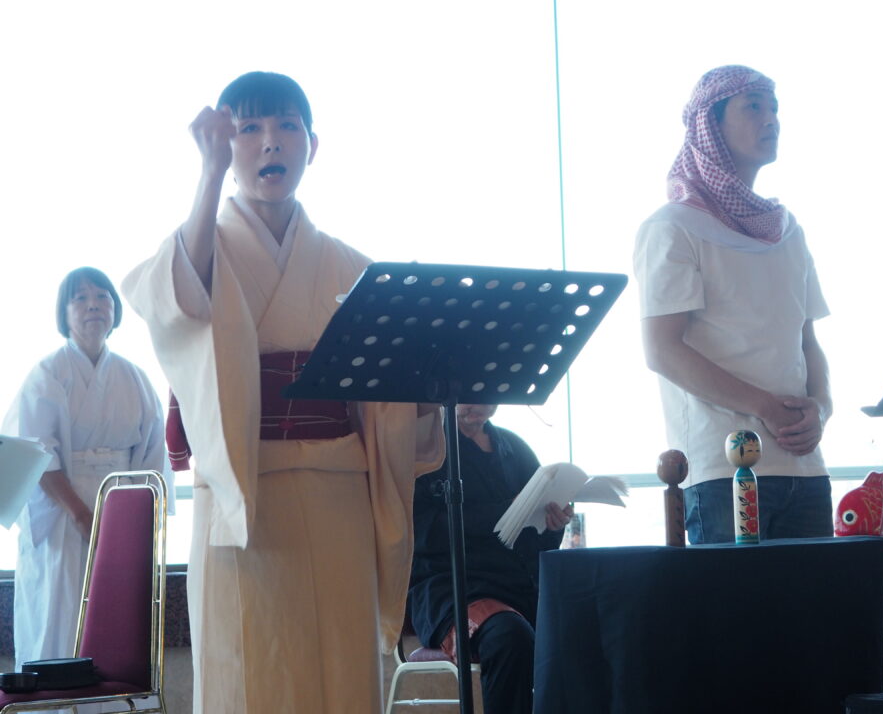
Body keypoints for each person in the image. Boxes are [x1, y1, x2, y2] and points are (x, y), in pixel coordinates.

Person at [121, 71, 444, 714]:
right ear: (226, 147)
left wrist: (431, 392)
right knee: (251, 674)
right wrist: (207, 176)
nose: (271, 143)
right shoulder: (203, 247)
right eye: (250, 129)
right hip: (247, 498)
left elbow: (392, 400)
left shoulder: (352, 268)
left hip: (338, 491)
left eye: (287, 127)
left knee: (342, 672)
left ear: (312, 146)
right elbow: (176, 300)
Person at [634, 65, 833, 544]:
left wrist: (821, 410)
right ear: (711, 124)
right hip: (722, 470)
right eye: (754, 107)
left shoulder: (788, 229)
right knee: (734, 618)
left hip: (805, 467)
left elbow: (807, 341)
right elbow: (662, 350)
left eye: (775, 108)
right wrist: (764, 407)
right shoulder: (672, 226)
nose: (772, 119)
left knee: (817, 619)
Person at [4, 267, 169, 672]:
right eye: (80, 298)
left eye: (103, 296)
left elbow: (152, 456)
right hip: (61, 514)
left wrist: (135, 521)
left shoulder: (135, 378)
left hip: (121, 513)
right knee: (58, 620)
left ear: (115, 308)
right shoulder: (47, 374)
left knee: (116, 625)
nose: (94, 304)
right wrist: (81, 514)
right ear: (64, 313)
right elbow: (37, 454)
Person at [408, 404, 571, 714]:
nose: (479, 405)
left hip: (520, 586)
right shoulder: (426, 452)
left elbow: (535, 542)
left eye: (488, 395)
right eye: (470, 394)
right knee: (509, 636)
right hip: (452, 590)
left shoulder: (515, 448)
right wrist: (502, 512)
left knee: (585, 623)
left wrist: (553, 524)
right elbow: (419, 531)